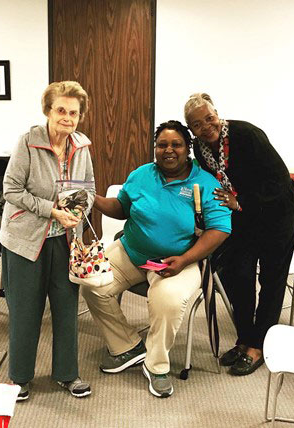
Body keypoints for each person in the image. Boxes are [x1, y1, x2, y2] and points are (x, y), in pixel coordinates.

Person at [80, 120, 231, 398]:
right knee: (91, 282)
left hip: (181, 260)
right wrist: (93, 199)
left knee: (168, 301)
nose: (168, 150)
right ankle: (128, 346)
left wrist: (185, 259)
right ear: (155, 148)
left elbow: (219, 229)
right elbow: (121, 207)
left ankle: (156, 365)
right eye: (162, 145)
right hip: (131, 252)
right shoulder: (141, 175)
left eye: (176, 145)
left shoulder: (206, 184)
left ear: (188, 149)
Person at [184, 93, 294, 376]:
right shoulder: (200, 149)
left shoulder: (247, 134)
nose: (206, 126)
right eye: (197, 124)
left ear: (217, 114)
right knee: (239, 272)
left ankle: (258, 345)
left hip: (277, 211)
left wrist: (242, 201)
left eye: (209, 118)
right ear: (192, 130)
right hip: (244, 216)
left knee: (272, 278)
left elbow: (279, 179)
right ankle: (244, 337)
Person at [0, 81, 95, 401]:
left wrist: (80, 210)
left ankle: (68, 374)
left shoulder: (81, 145)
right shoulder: (28, 142)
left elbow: (90, 189)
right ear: (48, 111)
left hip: (66, 240)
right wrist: (51, 211)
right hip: (26, 238)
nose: (68, 118)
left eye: (74, 113)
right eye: (61, 110)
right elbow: (11, 191)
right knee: (26, 310)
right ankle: (20, 377)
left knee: (67, 308)